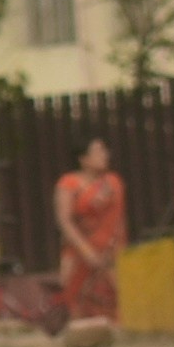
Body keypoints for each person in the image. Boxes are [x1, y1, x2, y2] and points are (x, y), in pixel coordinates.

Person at [54, 138, 132, 327]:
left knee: (117, 298)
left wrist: (119, 248)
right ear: (84, 159)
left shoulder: (113, 182)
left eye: (105, 150)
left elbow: (119, 219)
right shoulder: (69, 183)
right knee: (76, 302)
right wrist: (87, 251)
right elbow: (65, 220)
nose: (104, 155)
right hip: (80, 252)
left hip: (111, 252)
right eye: (98, 151)